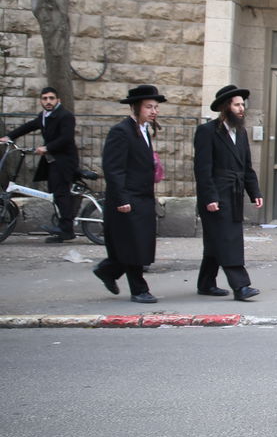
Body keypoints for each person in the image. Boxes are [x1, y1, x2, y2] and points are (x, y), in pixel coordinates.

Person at [93, 85, 163, 303]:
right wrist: (121, 198)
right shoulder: (121, 131)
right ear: (135, 107)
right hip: (128, 198)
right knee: (134, 244)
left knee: (138, 243)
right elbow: (113, 168)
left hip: (143, 196)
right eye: (148, 107)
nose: (153, 111)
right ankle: (139, 289)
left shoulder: (143, 130)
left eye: (155, 107)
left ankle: (107, 270)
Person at [194, 84, 264, 301]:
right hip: (216, 195)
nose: (242, 109)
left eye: (243, 105)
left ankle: (206, 283)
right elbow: (202, 169)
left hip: (234, 195)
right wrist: (210, 197)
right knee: (228, 239)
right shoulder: (207, 132)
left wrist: (255, 192)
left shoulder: (240, 133)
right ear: (226, 107)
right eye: (237, 105)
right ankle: (241, 286)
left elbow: (246, 167)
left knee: (216, 240)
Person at [2, 86, 80, 241]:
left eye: (51, 98)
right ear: (41, 101)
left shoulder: (65, 116)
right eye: (45, 98)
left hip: (64, 161)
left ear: (58, 100)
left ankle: (67, 229)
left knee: (61, 193)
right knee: (54, 193)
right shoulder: (43, 116)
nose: (48, 101)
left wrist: (46, 148)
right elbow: (28, 126)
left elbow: (66, 138)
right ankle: (61, 230)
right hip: (52, 161)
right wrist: (9, 137)